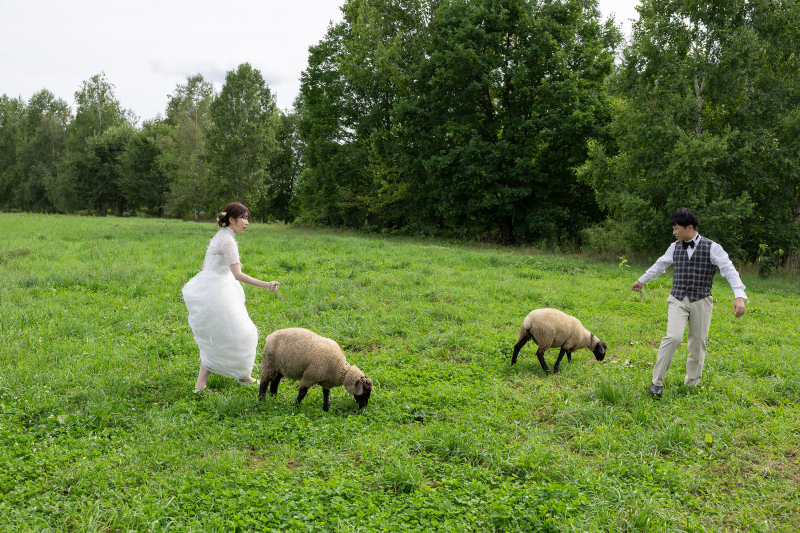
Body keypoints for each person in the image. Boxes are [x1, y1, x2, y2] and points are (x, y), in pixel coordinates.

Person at [632, 208, 746, 397]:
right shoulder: (674, 246)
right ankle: (656, 382)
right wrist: (641, 280)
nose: (674, 232)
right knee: (674, 337)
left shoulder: (713, 247)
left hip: (701, 300)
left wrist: (739, 295)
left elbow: (729, 270)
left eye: (676, 228)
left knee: (698, 343)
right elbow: (660, 265)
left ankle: (692, 383)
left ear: (689, 227)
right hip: (678, 299)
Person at [182, 202, 279, 393]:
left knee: (223, 334)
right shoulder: (228, 241)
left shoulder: (221, 236)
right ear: (232, 220)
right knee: (241, 333)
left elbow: (204, 267)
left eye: (247, 218)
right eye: (243, 218)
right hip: (217, 294)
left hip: (211, 290)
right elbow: (237, 275)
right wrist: (267, 285)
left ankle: (241, 376)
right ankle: (205, 384)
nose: (247, 222)